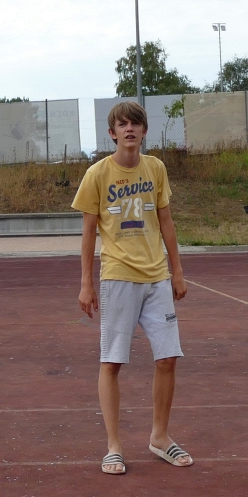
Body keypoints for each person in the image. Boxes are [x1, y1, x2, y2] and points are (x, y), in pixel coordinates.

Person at [72, 100, 192, 476]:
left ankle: (160, 437)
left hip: (157, 277)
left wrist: (177, 271)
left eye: (135, 124)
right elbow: (88, 232)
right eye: (122, 125)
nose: (129, 129)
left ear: (143, 131)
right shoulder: (97, 174)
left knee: (168, 358)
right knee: (112, 362)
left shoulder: (155, 168)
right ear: (112, 133)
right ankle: (113, 446)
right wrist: (86, 283)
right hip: (118, 276)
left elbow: (166, 221)